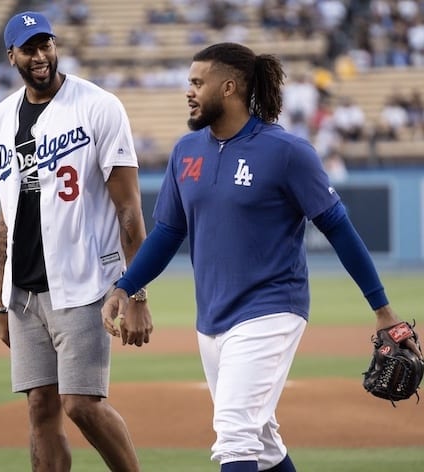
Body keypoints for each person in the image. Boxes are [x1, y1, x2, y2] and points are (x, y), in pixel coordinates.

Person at [101, 42, 423, 472]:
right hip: (211, 319)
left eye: (198, 82)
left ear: (229, 87)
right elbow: (167, 233)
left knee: (233, 436)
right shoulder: (186, 151)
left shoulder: (286, 152)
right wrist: (126, 286)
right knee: (263, 444)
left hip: (271, 310)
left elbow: (339, 228)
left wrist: (382, 310)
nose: (189, 91)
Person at [0, 11, 153, 472]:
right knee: (40, 406)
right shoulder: (0, 119)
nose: (40, 56)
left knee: (80, 404)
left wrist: (136, 292)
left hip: (82, 283)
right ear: (11, 56)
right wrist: (1, 299)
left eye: (46, 45)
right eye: (29, 48)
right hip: (25, 293)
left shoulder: (98, 106)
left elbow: (130, 211)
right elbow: (6, 217)